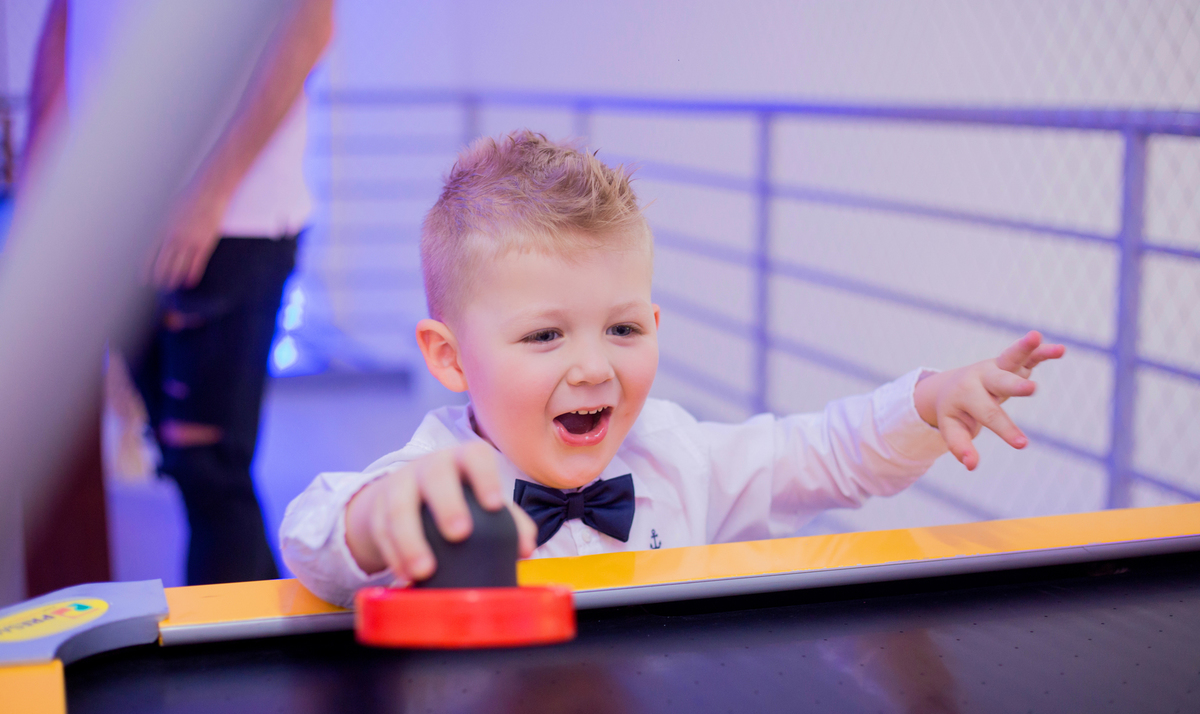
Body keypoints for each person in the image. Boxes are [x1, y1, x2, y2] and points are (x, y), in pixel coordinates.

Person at [280, 131, 1065, 609]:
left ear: (655, 324)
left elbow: (821, 453)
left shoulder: (676, 455)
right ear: (451, 358)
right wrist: (378, 519)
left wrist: (928, 403)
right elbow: (315, 535)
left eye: (622, 328)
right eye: (545, 336)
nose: (593, 367)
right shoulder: (436, 482)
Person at [25, 0, 334, 586]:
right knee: (187, 469)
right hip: (113, 220)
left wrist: (209, 194)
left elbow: (310, 25)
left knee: (209, 470)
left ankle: (250, 668)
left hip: (232, 220)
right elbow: (64, 22)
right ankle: (261, 651)